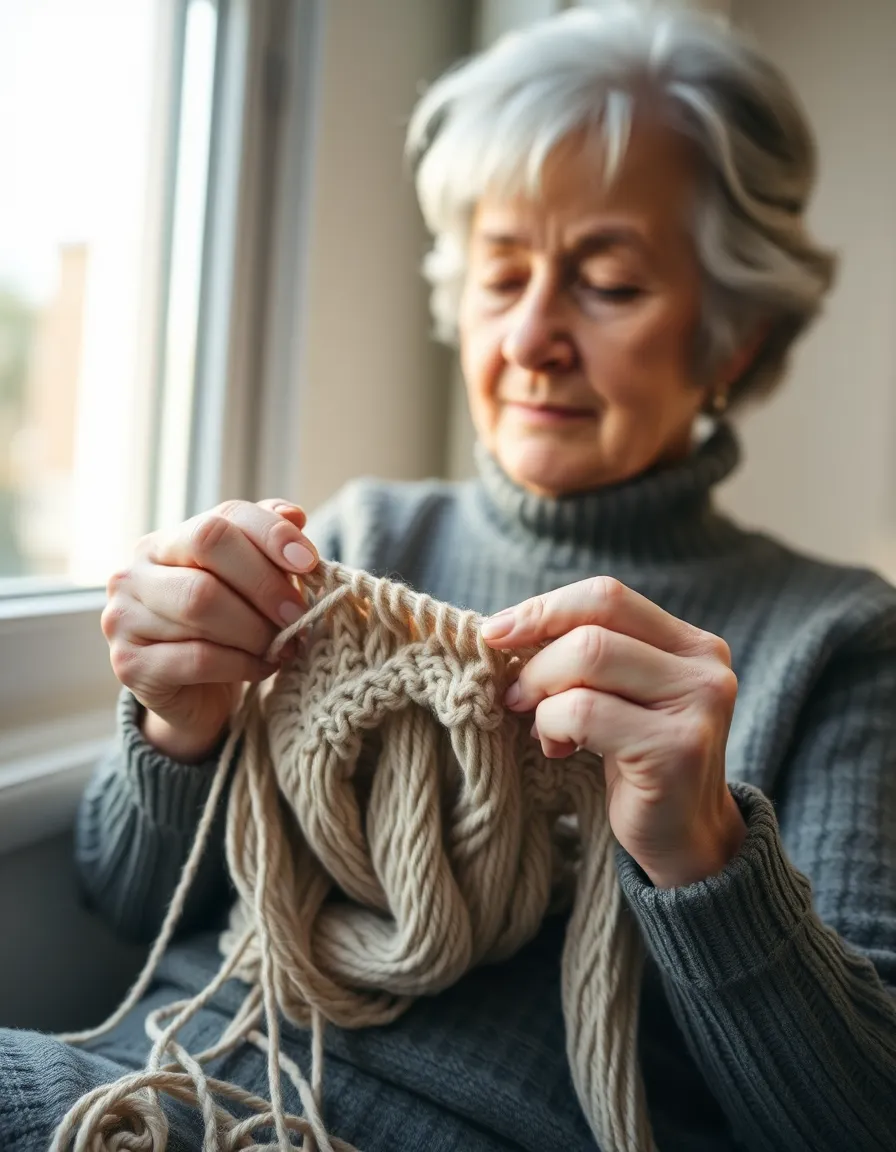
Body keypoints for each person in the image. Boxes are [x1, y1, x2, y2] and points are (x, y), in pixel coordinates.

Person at [2, 4, 894, 1150]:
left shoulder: (835, 640)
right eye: (498, 272)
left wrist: (703, 857)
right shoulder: (363, 536)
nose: (528, 337)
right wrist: (178, 724)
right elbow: (123, 895)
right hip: (136, 1084)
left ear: (733, 338)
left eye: (607, 284)